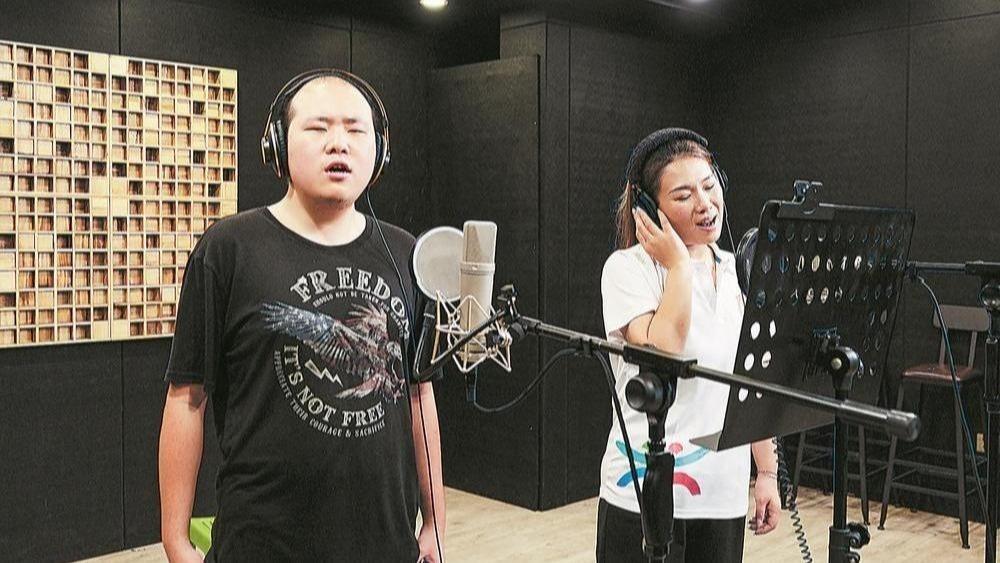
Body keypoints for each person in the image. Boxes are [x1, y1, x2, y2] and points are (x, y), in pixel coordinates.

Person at [157, 69, 445, 562]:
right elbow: (187, 397)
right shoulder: (228, 249)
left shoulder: (406, 254)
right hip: (261, 547)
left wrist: (436, 522)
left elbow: (419, 394)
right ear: (277, 145)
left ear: (379, 151)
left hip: (385, 545)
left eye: (356, 130)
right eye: (318, 127)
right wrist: (176, 540)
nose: (339, 143)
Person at [597, 128, 780, 562]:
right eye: (683, 195)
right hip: (642, 495)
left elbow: (753, 383)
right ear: (648, 209)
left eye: (709, 186)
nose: (704, 203)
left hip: (721, 495)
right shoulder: (628, 269)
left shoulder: (741, 272)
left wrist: (768, 472)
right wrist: (679, 265)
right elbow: (664, 352)